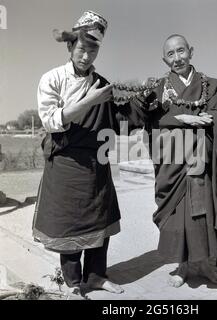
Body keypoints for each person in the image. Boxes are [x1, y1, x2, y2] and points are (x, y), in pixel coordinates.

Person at [117, 34, 217, 287]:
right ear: (164, 59)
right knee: (178, 216)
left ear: (191, 51)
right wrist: (179, 119)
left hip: (203, 163)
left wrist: (211, 118)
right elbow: (141, 118)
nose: (177, 58)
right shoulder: (156, 89)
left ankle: (203, 264)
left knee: (203, 214)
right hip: (172, 164)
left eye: (181, 51)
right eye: (171, 54)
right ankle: (183, 265)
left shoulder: (211, 86)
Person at [33, 11, 127, 294]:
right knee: (70, 223)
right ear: (70, 47)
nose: (86, 56)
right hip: (66, 162)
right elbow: (51, 120)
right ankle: (73, 283)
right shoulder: (52, 79)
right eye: (82, 49)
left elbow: (116, 121)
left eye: (93, 50)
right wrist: (90, 100)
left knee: (99, 217)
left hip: (96, 163)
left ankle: (97, 275)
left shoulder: (102, 83)